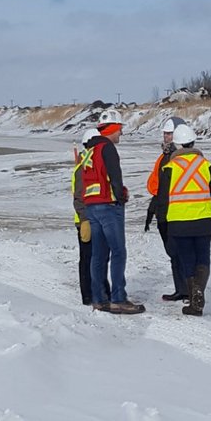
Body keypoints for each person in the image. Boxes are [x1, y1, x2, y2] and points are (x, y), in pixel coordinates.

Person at [153, 123, 211, 317]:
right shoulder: (206, 165)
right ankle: (198, 294)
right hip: (203, 222)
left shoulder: (169, 167)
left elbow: (163, 200)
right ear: (193, 142)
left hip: (179, 224)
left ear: (176, 145)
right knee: (203, 259)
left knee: (187, 261)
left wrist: (162, 224)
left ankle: (194, 298)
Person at [78, 108, 145, 313]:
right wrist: (121, 196)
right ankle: (118, 298)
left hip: (92, 207)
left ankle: (99, 299)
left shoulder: (89, 151)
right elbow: (115, 177)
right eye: (120, 129)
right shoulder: (107, 148)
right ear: (113, 128)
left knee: (98, 255)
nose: (121, 134)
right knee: (118, 252)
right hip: (108, 206)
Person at [144, 115, 190, 302]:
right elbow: (156, 187)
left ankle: (189, 290)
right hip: (164, 210)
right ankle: (182, 289)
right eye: (165, 133)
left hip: (176, 212)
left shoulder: (179, 159)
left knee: (183, 253)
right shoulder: (163, 157)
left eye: (170, 134)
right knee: (174, 253)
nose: (166, 137)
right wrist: (152, 210)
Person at [70, 128, 108, 305]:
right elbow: (79, 197)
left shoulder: (93, 163)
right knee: (87, 259)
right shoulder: (83, 167)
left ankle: (102, 290)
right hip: (86, 221)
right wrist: (84, 219)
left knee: (99, 258)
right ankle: (88, 295)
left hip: (98, 219)